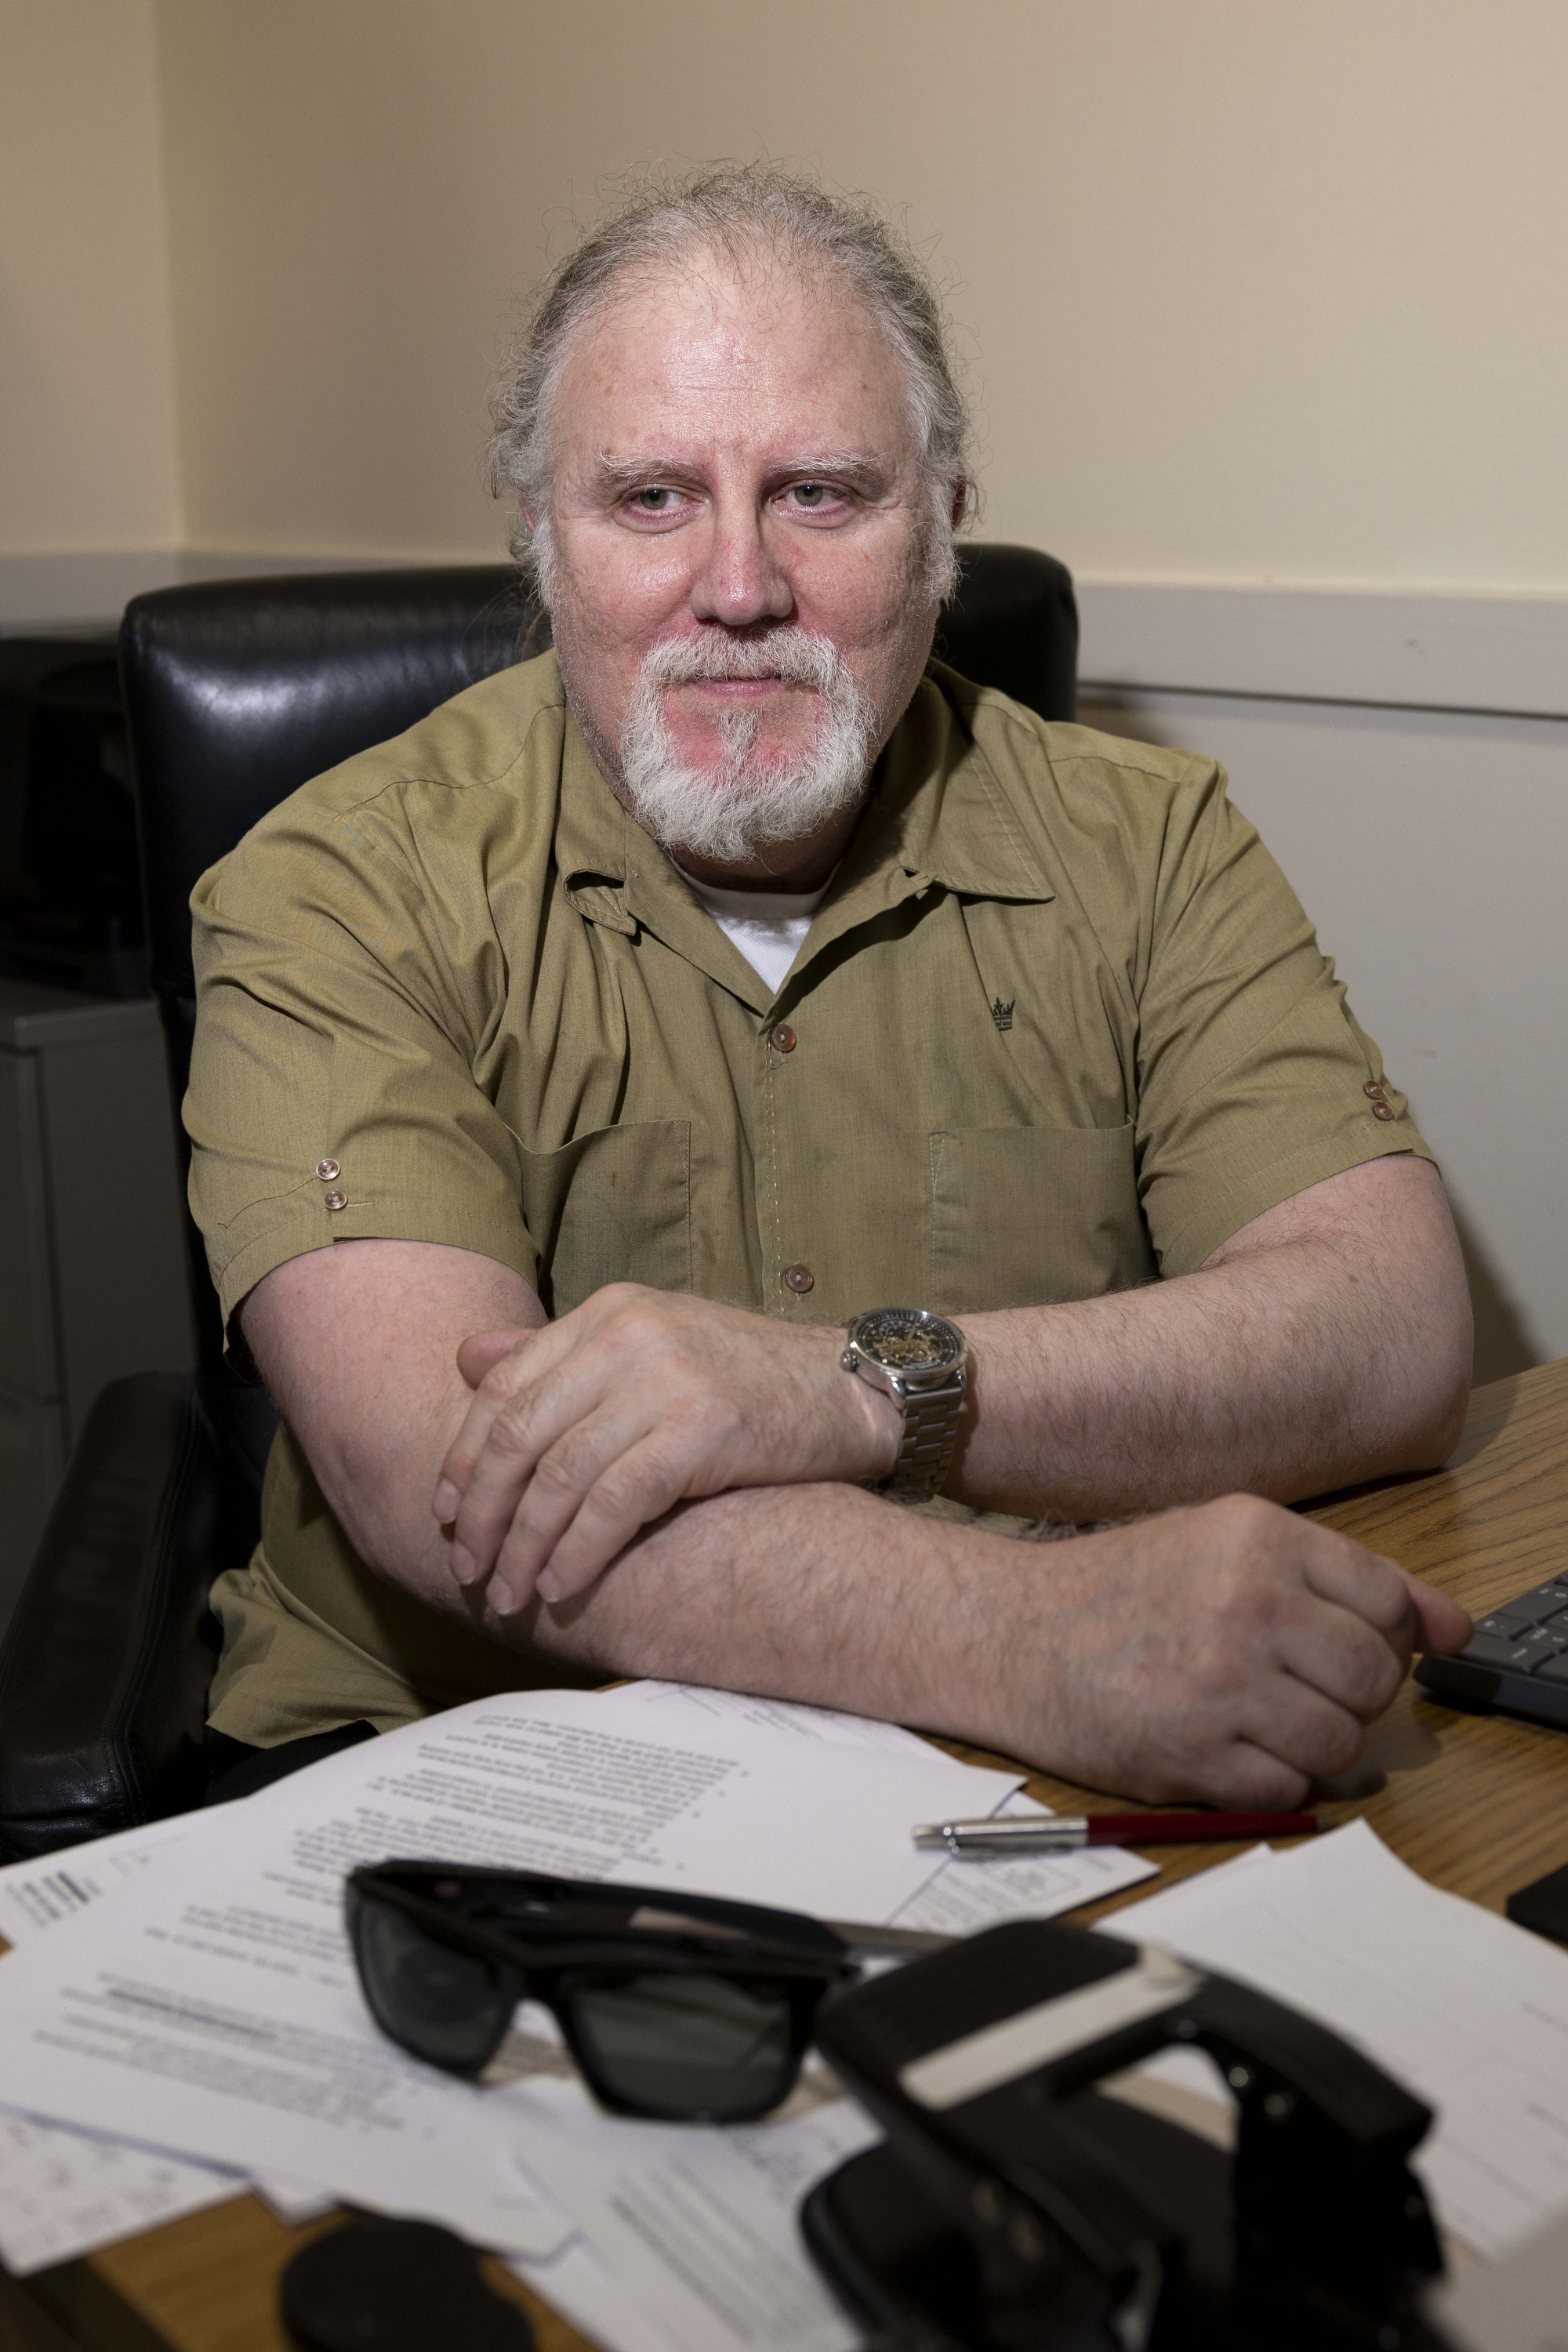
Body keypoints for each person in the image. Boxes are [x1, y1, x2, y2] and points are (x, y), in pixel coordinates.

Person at [187, 165, 1473, 1808]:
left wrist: (858, 1387)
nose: (736, 587)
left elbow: (1385, 1325)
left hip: (1036, 1791)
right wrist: (1030, 1638)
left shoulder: (1150, 844)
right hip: (480, 1762)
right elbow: (438, 1478)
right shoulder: (337, 886)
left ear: (941, 524)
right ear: (538, 542)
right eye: (648, 498)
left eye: (820, 493)